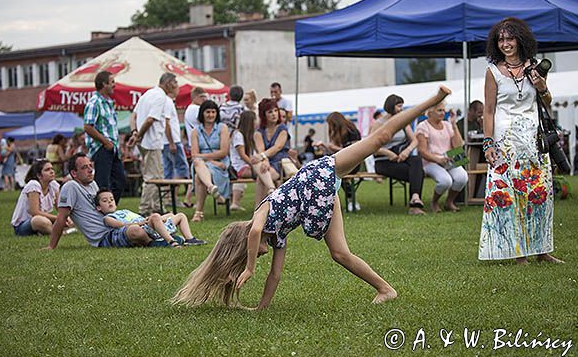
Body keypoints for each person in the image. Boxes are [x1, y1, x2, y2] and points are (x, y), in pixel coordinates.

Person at [171, 86, 451, 309]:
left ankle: (431, 100)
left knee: (378, 139)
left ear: (245, 247)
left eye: (250, 253)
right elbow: (276, 276)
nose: (257, 255)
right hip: (319, 198)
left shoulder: (260, 215)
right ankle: (386, 289)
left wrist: (249, 268)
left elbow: (255, 230)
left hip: (319, 174)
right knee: (340, 254)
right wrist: (261, 308)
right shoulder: (277, 236)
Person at [479, 17, 563, 264]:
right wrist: (488, 143)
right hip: (505, 141)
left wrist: (541, 86)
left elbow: (547, 103)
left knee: (539, 192)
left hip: (533, 140)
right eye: (501, 39)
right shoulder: (493, 71)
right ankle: (518, 252)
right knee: (509, 194)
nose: (505, 44)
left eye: (510, 38)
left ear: (520, 39)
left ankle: (542, 250)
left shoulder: (533, 67)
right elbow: (489, 110)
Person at [43, 153, 153, 250]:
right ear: (74, 173)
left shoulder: (93, 184)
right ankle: (157, 242)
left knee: (160, 219)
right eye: (85, 167)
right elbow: (62, 217)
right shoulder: (70, 187)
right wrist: (52, 246)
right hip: (104, 236)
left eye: (91, 166)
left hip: (115, 226)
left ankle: (158, 237)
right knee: (135, 231)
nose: (90, 170)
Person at [129, 73, 178, 216]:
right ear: (168, 83)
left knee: (155, 175)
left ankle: (156, 207)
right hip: (152, 142)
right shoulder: (161, 97)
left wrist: (134, 133)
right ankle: (144, 210)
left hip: (145, 142)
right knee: (153, 178)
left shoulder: (147, 94)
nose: (176, 86)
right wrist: (138, 135)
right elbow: (151, 119)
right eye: (175, 83)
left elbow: (133, 116)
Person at [370, 95, 426, 215]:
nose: (401, 109)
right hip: (383, 161)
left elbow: (415, 140)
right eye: (399, 106)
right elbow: (371, 147)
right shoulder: (378, 124)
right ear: (391, 106)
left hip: (400, 158)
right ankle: (414, 206)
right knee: (418, 172)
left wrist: (407, 150)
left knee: (416, 160)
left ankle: (415, 198)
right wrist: (388, 153)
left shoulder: (402, 121)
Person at [95, 189, 205, 247]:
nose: (109, 202)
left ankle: (190, 239)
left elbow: (140, 218)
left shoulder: (125, 211)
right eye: (105, 201)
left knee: (178, 215)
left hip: (148, 225)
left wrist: (149, 220)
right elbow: (120, 225)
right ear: (99, 207)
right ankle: (170, 241)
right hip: (143, 227)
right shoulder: (107, 218)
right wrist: (143, 222)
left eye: (111, 199)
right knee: (156, 216)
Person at [416, 102, 468, 212]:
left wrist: (454, 125)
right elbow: (422, 151)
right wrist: (438, 159)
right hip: (430, 161)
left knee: (462, 177)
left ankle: (449, 202)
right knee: (445, 181)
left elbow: (458, 146)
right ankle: (434, 202)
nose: (443, 113)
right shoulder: (423, 126)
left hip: (449, 159)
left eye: (444, 110)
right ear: (430, 112)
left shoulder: (448, 125)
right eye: (439, 110)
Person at [84, 71, 125, 203]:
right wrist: (105, 142)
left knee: (120, 182)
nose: (115, 85)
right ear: (104, 84)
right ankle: (100, 215)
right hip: (101, 148)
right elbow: (88, 127)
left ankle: (110, 211)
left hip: (112, 149)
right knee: (103, 184)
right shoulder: (94, 102)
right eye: (112, 82)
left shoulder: (109, 103)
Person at [190, 100, 231, 222]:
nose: (211, 115)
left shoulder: (222, 128)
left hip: (220, 163)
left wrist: (209, 160)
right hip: (203, 164)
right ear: (202, 113)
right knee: (197, 163)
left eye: (213, 112)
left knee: (198, 176)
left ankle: (198, 213)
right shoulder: (196, 131)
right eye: (208, 112)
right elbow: (193, 154)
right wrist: (211, 159)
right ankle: (211, 187)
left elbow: (223, 152)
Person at [229, 110, 275, 210]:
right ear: (250, 121)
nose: (257, 121)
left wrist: (261, 161)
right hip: (239, 167)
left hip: (252, 166)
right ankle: (271, 189)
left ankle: (259, 207)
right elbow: (242, 155)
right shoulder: (238, 135)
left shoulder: (253, 134)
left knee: (262, 175)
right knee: (262, 170)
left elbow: (258, 153)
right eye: (255, 119)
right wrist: (255, 162)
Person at [317, 112, 362, 212]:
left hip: (354, 163)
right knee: (331, 174)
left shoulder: (352, 131)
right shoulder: (339, 133)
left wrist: (335, 148)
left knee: (335, 174)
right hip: (343, 163)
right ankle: (349, 201)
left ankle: (350, 201)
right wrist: (326, 147)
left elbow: (354, 151)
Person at [10, 160, 65, 236]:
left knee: (70, 218)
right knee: (41, 221)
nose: (52, 171)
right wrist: (58, 219)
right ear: (39, 175)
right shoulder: (33, 185)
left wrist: (65, 218)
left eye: (52, 169)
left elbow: (61, 208)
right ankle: (58, 233)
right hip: (24, 225)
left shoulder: (53, 185)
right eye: (47, 170)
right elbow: (35, 212)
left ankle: (49, 230)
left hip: (44, 220)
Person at [251, 98, 290, 205]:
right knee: (256, 161)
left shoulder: (282, 129)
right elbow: (260, 149)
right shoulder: (259, 132)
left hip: (280, 163)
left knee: (261, 178)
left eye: (275, 111)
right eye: (270, 112)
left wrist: (263, 157)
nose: (274, 114)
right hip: (265, 163)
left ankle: (257, 213)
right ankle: (271, 188)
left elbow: (277, 147)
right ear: (264, 115)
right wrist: (264, 160)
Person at [162, 80, 191, 207]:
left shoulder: (165, 101)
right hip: (172, 141)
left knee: (168, 170)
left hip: (165, 142)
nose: (178, 89)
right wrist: (172, 142)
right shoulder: (168, 101)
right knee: (182, 169)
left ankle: (167, 198)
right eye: (177, 87)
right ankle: (173, 198)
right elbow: (166, 122)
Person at [183, 87, 209, 207]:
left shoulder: (189, 109)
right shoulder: (195, 109)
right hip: (199, 145)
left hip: (194, 143)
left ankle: (188, 198)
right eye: (203, 97)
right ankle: (189, 198)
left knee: (196, 171)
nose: (205, 100)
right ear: (196, 97)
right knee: (198, 171)